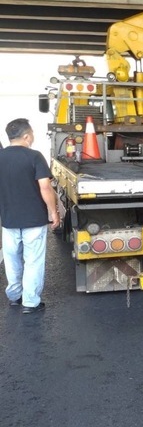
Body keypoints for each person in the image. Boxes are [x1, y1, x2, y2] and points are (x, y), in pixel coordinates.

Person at [0, 118, 61, 313]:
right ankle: (30, 302)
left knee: (11, 260)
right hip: (34, 219)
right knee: (33, 261)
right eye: (32, 134)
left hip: (8, 219)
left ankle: (14, 296)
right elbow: (45, 186)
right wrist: (54, 213)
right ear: (26, 136)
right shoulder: (34, 156)